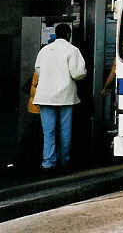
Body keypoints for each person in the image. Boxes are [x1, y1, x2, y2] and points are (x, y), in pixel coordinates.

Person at [34, 23, 86, 171]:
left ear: (56, 34)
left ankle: (48, 162)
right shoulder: (72, 50)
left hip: (45, 95)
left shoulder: (44, 51)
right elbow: (78, 73)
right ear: (69, 35)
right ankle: (64, 161)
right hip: (65, 95)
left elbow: (37, 70)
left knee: (48, 131)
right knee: (65, 130)